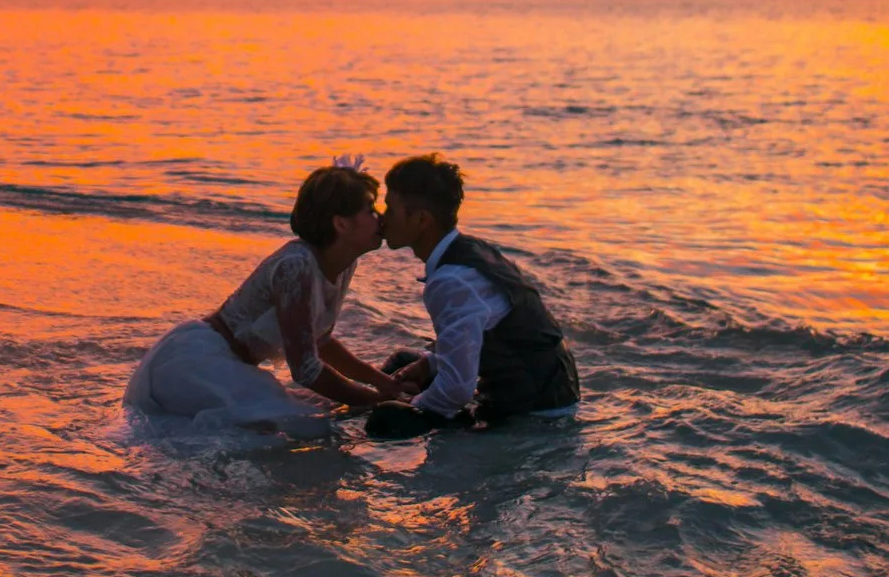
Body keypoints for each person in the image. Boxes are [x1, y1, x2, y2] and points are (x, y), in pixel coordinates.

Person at [124, 159, 409, 430]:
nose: (380, 219)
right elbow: (305, 370)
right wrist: (373, 401)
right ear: (341, 224)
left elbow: (317, 340)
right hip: (201, 363)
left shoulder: (344, 262)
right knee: (307, 426)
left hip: (228, 364)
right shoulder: (296, 266)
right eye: (371, 210)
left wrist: (381, 382)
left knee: (319, 414)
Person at [366, 154, 581, 438]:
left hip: (535, 413)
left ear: (421, 219)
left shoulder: (451, 280)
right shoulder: (471, 250)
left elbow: (456, 389)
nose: (383, 218)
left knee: (384, 420)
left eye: (390, 209)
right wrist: (429, 364)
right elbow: (477, 336)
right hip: (552, 389)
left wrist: (407, 406)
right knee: (408, 362)